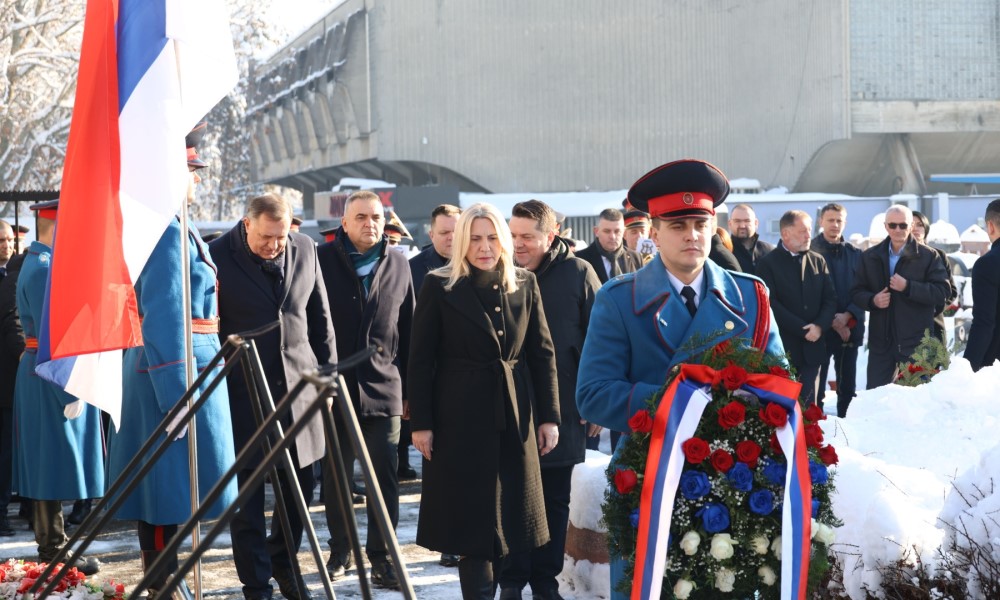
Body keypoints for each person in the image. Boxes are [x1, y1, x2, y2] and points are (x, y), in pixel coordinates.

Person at [575, 160, 785, 600]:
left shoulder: (750, 296)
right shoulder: (619, 300)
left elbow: (779, 384)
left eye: (700, 223)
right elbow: (593, 395)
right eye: (677, 225)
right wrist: (685, 403)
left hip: (739, 484)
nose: (692, 235)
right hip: (650, 484)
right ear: (653, 231)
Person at [106, 124, 238, 598]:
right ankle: (162, 581)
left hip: (186, 365)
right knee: (165, 489)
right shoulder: (163, 233)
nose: (197, 181)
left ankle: (166, 578)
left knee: (175, 490)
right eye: (190, 172)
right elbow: (165, 317)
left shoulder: (172, 227)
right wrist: (177, 395)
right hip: (173, 372)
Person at [408, 203, 560, 600]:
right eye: (475, 238)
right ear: (461, 241)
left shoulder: (524, 283)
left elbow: (542, 354)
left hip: (514, 414)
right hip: (458, 419)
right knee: (472, 525)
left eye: (492, 237)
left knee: (511, 518)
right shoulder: (438, 285)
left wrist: (549, 418)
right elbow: (420, 359)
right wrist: (420, 422)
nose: (484, 246)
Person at [209, 193, 337, 600]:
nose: (275, 245)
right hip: (242, 393)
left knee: (301, 487)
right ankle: (256, 583)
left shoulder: (305, 248)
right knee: (247, 498)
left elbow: (320, 316)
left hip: (300, 391)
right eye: (267, 237)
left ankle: (283, 560)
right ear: (247, 224)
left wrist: (328, 377)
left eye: (281, 237)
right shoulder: (215, 256)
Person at [499, 200, 601, 600]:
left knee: (555, 500)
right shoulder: (500, 271)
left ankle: (545, 583)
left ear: (551, 234)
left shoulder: (579, 274)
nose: (517, 244)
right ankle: (511, 580)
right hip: (508, 407)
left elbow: (599, 344)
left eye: (527, 236)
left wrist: (593, 404)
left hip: (565, 408)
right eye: (513, 235)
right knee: (510, 496)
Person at [317, 190, 414, 590]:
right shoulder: (321, 261)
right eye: (360, 217)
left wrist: (409, 392)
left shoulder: (398, 264)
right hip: (333, 388)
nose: (369, 224)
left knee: (383, 478)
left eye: (375, 217)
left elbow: (407, 330)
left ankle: (382, 556)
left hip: (383, 390)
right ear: (344, 222)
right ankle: (340, 550)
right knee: (336, 476)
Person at [13, 200, 104, 574]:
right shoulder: (45, 269)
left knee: (45, 461)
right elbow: (54, 335)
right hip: (51, 373)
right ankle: (53, 548)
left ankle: (55, 544)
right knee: (46, 463)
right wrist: (71, 390)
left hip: (46, 370)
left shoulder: (42, 264)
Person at [405, 202, 461, 566]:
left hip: (466, 382)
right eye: (445, 233)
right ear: (431, 233)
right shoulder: (413, 269)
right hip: (431, 381)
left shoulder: (479, 266)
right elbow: (407, 334)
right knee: (439, 471)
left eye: (458, 232)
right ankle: (448, 540)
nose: (452, 239)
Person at [850, 204, 951, 389]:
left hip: (917, 343)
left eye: (903, 225)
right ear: (885, 226)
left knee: (916, 403)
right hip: (882, 342)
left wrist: (908, 287)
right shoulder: (869, 256)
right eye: (893, 225)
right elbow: (856, 292)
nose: (898, 230)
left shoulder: (929, 256)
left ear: (911, 226)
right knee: (876, 398)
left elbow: (942, 292)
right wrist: (872, 300)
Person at [755, 210, 837, 407]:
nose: (809, 235)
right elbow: (770, 303)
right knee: (782, 407)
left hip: (813, 348)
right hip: (783, 349)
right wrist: (802, 329)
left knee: (810, 407)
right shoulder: (768, 264)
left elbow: (830, 299)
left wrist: (818, 326)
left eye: (809, 230)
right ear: (785, 234)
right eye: (803, 231)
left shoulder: (818, 260)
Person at [810, 203, 865, 417]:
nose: (835, 225)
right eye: (830, 220)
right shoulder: (810, 251)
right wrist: (832, 320)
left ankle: (847, 426)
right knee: (815, 385)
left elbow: (863, 289)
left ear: (845, 223)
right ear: (821, 221)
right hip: (819, 329)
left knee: (847, 385)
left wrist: (848, 316)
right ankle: (814, 427)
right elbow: (810, 292)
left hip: (849, 328)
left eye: (839, 220)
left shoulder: (856, 255)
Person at [0, 220, 25, 537]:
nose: (6, 244)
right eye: (1, 239)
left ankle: (4, 512)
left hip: (9, 380)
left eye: (8, 239)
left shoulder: (18, 274)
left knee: (9, 449)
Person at [911, 210, 958, 345]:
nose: (915, 229)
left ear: (925, 228)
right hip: (905, 328)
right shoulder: (897, 256)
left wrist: (933, 309)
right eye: (912, 224)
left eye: (919, 224)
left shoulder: (938, 255)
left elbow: (951, 291)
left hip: (934, 324)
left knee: (932, 364)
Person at [964, 199, 1000, 371]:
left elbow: (984, 322)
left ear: (990, 226)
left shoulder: (987, 264)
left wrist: (967, 368)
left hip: (994, 368)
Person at [574, 208, 641, 284]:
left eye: (617, 231)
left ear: (624, 232)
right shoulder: (580, 259)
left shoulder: (635, 257)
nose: (612, 236)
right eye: (607, 231)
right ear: (596, 231)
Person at [728, 203, 775, 274]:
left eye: (747, 221)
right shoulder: (725, 251)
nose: (742, 226)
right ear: (730, 224)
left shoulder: (769, 251)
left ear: (756, 223)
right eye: (737, 221)